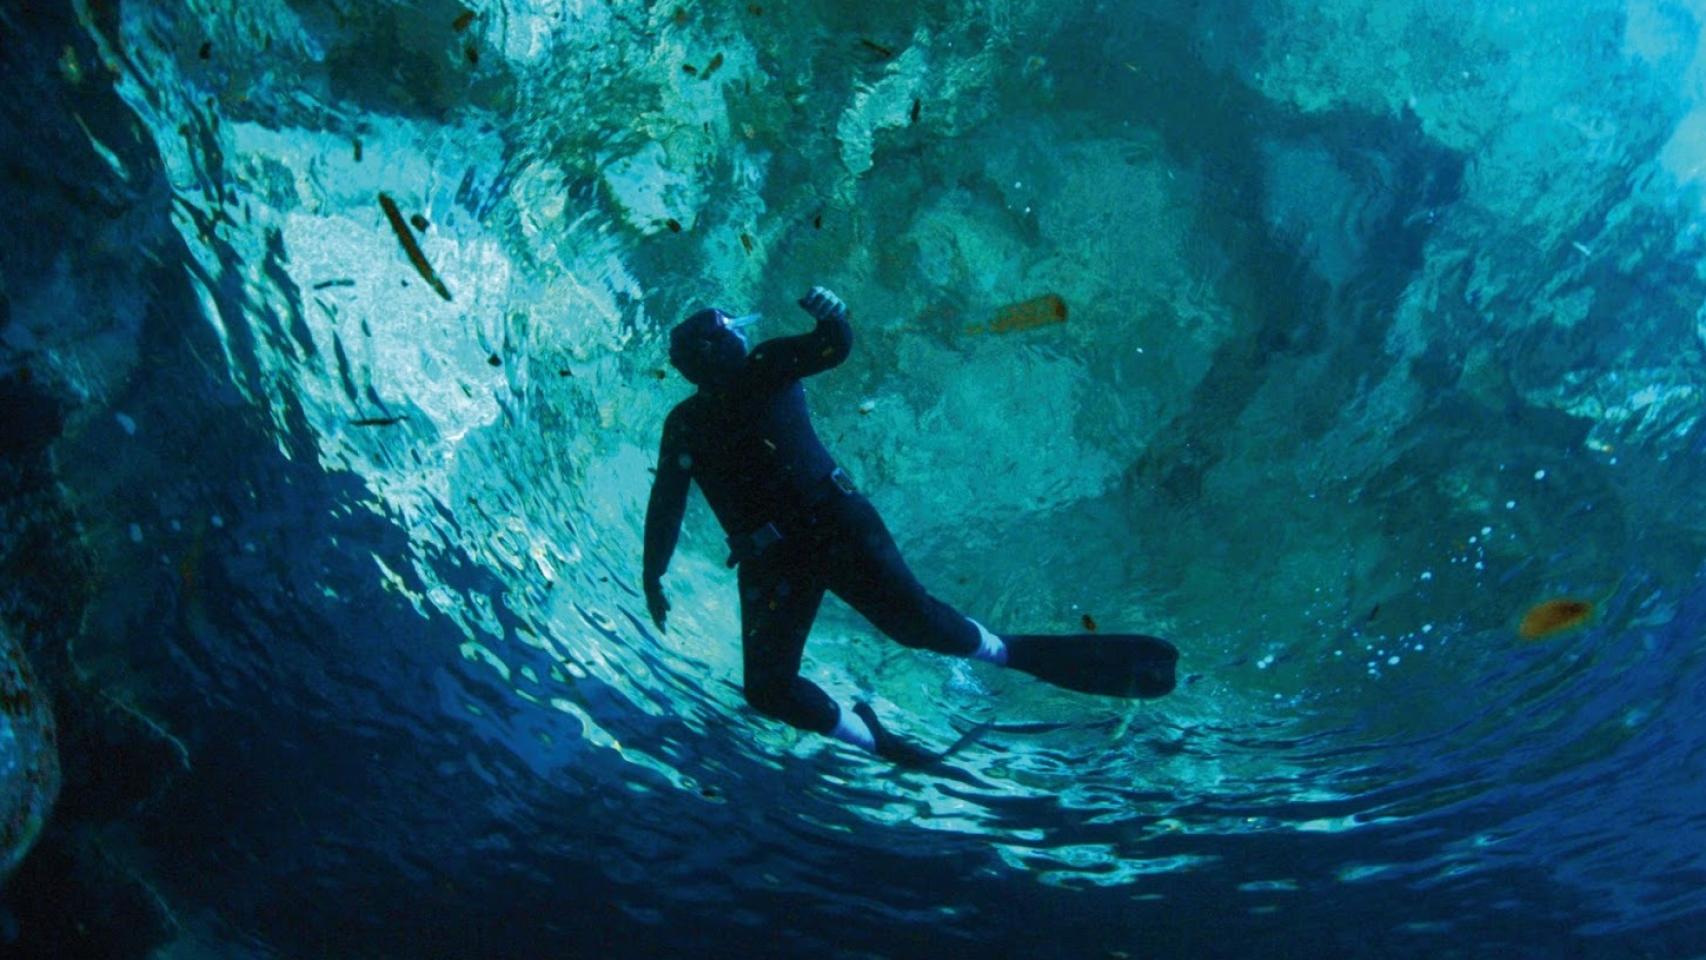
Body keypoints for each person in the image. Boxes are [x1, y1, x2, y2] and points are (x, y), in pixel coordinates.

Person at [643, 286, 1177, 766]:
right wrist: (653, 574)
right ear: (704, 355)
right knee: (768, 688)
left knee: (915, 624)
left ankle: (1008, 652)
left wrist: (835, 316)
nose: (735, 339)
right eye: (724, 335)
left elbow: (831, 349)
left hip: (833, 524)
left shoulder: (763, 367)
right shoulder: (690, 421)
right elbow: (666, 501)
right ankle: (875, 741)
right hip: (775, 557)